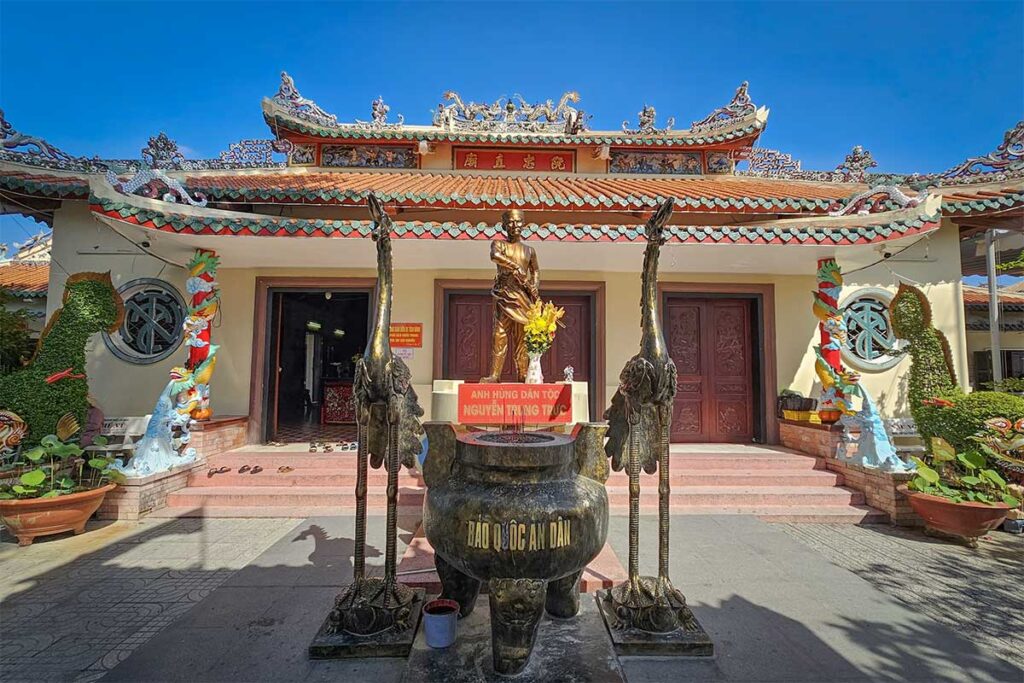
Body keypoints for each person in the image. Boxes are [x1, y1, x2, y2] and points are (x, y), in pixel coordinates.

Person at [482, 209, 540, 382]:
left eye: (518, 222)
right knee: (499, 334)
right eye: (511, 223)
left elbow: (535, 271)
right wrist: (515, 267)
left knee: (522, 338)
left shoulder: (530, 250)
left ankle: (523, 374)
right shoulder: (499, 244)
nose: (515, 226)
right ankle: (495, 375)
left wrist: (534, 286)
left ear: (523, 225)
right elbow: (495, 256)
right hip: (504, 295)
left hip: (523, 298)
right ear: (505, 226)